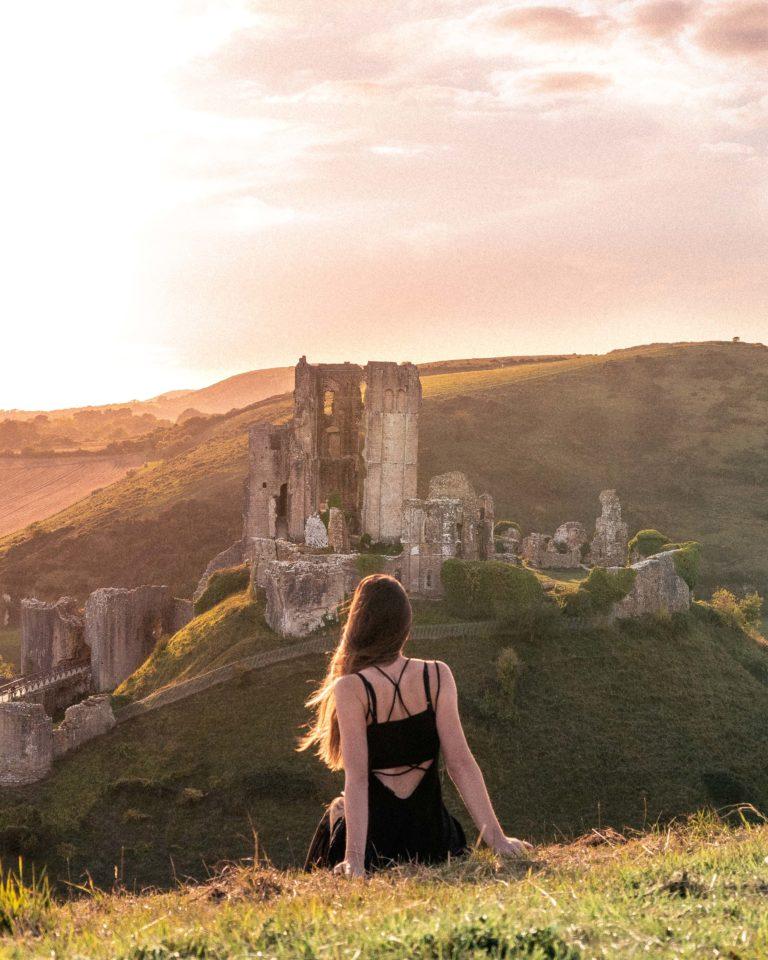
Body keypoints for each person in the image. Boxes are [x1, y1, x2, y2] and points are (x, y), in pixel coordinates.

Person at [299, 573, 532, 877]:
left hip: (377, 846)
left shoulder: (350, 688)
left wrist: (355, 861)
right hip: (434, 840)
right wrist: (497, 840)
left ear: (359, 627)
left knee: (336, 810)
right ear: (405, 626)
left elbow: (357, 780)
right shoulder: (437, 675)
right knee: (338, 806)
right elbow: (460, 764)